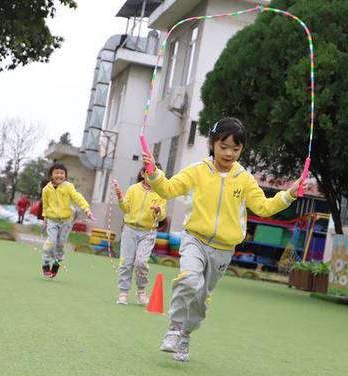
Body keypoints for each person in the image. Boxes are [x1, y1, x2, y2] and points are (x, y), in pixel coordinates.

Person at [142, 117, 302, 362]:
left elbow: (263, 207)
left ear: (242, 149)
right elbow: (168, 189)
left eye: (235, 148)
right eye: (223, 146)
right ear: (213, 144)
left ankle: (186, 334)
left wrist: (289, 195)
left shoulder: (245, 179)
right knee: (188, 280)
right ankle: (174, 328)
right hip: (194, 239)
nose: (228, 153)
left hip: (223, 250)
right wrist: (153, 174)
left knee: (200, 298)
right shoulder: (196, 171)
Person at [113, 165, 167, 306]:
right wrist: (120, 197)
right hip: (130, 229)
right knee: (126, 262)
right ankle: (123, 292)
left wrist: (158, 211)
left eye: (156, 175)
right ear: (143, 173)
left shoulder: (161, 193)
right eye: (150, 173)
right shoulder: (133, 189)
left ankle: (141, 290)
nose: (153, 177)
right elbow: (125, 208)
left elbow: (162, 216)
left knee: (141, 262)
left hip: (148, 232)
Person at [41, 163, 95, 278]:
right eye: (56, 173)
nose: (59, 175)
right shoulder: (46, 189)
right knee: (51, 243)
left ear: (65, 175)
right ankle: (45, 264)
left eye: (62, 173)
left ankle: (56, 265)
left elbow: (78, 197)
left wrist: (87, 209)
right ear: (51, 175)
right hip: (52, 220)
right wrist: (45, 220)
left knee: (60, 244)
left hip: (66, 221)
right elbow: (45, 205)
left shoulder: (68, 187)